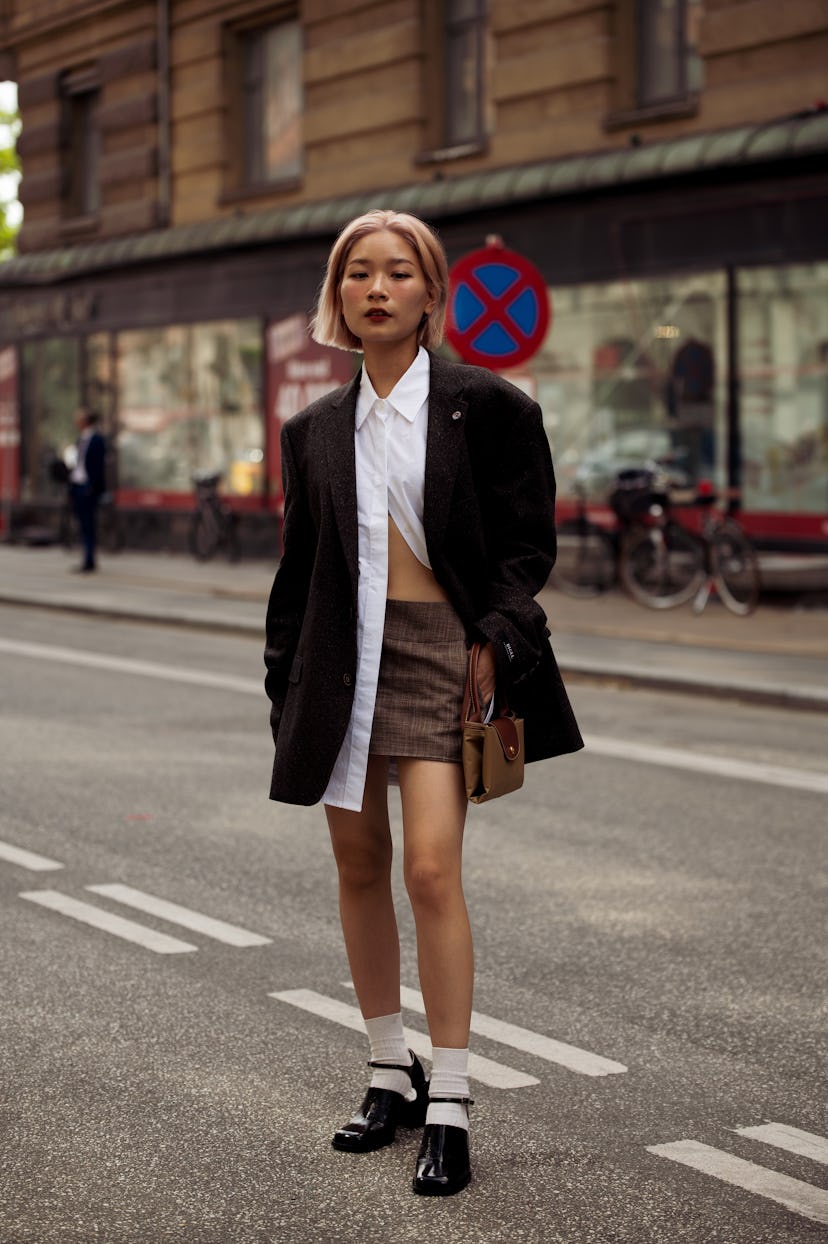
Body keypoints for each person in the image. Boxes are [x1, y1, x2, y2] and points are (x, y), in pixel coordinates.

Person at [264, 210, 583, 1197]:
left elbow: (529, 544)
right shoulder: (312, 430)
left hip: (443, 650)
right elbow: (301, 568)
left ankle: (450, 1098)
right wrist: (285, 684)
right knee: (359, 862)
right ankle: (384, 1070)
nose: (376, 288)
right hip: (340, 657)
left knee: (433, 869)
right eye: (357, 273)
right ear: (338, 296)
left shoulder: (488, 405)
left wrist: (494, 634)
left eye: (398, 273)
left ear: (431, 294)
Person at [68, 409, 107, 572]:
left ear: (86, 421)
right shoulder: (80, 440)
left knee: (89, 524)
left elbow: (98, 467)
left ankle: (89, 560)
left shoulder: (97, 440)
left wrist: (92, 486)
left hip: (88, 488)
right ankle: (86, 557)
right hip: (77, 485)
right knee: (82, 524)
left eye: (79, 418)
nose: (76, 422)